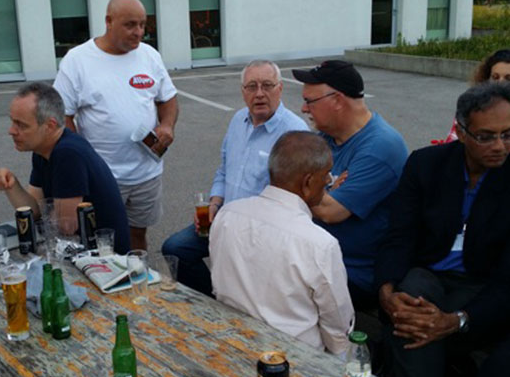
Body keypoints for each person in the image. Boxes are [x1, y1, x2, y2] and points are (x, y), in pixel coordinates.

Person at [374, 83, 510, 377]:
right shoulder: (426, 164)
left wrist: (457, 321)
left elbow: (508, 280)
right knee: (412, 301)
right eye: (486, 136)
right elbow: (399, 236)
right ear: (461, 132)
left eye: (508, 134)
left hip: (485, 289)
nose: (500, 146)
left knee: (414, 322)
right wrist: (386, 292)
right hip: (430, 278)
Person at [162, 60, 308, 297]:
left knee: (243, 278)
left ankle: (232, 300)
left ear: (280, 88)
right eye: (251, 86)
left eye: (267, 85)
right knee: (175, 248)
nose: (259, 94)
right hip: (223, 216)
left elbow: (295, 200)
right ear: (243, 92)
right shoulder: (238, 120)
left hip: (260, 230)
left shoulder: (295, 133)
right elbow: (224, 169)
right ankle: (215, 299)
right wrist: (214, 203)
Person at [53, 0, 179, 250]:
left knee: (137, 237)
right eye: (130, 24)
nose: (139, 32)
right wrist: (81, 155)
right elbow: (62, 115)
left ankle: (139, 281)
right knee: (104, 241)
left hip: (147, 172)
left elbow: (168, 99)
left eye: (143, 24)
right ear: (109, 21)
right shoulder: (78, 61)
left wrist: (166, 125)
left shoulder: (150, 56)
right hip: (103, 176)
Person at [209, 131, 354, 354]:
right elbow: (338, 328)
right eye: (326, 174)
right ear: (307, 182)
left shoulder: (228, 214)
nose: (329, 181)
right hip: (293, 360)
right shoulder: (320, 245)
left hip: (231, 343)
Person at [293, 60, 408, 310]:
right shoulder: (325, 138)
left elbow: (330, 212)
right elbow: (282, 186)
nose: (303, 108)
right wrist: (321, 191)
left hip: (351, 272)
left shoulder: (381, 147)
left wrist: (308, 187)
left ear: (337, 100)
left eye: (309, 101)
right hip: (316, 258)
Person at [0, 82, 130, 254]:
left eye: (22, 125)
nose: (11, 131)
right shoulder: (43, 150)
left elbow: (65, 227)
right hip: (81, 250)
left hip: (107, 259)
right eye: (13, 122)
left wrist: (47, 215)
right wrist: (12, 186)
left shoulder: (67, 154)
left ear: (50, 126)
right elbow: (34, 212)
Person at [437, 48, 510, 144]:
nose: (500, 82)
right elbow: (455, 140)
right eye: (495, 77)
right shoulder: (472, 106)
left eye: (508, 78)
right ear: (487, 79)